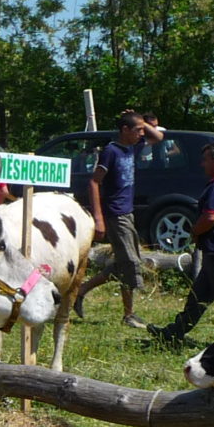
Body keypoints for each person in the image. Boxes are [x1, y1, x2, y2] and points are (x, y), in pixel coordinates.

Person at [149, 142, 214, 345]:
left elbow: (211, 217)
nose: (202, 164)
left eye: (205, 160)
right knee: (197, 299)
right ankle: (173, 333)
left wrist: (194, 231)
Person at [74, 112, 153, 328]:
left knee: (122, 264)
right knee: (130, 262)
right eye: (137, 130)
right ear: (124, 130)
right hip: (116, 214)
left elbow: (158, 138)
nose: (141, 134)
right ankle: (129, 314)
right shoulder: (111, 151)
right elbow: (94, 182)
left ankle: (81, 291)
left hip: (128, 212)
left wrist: (141, 122)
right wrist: (99, 218)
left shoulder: (132, 148)